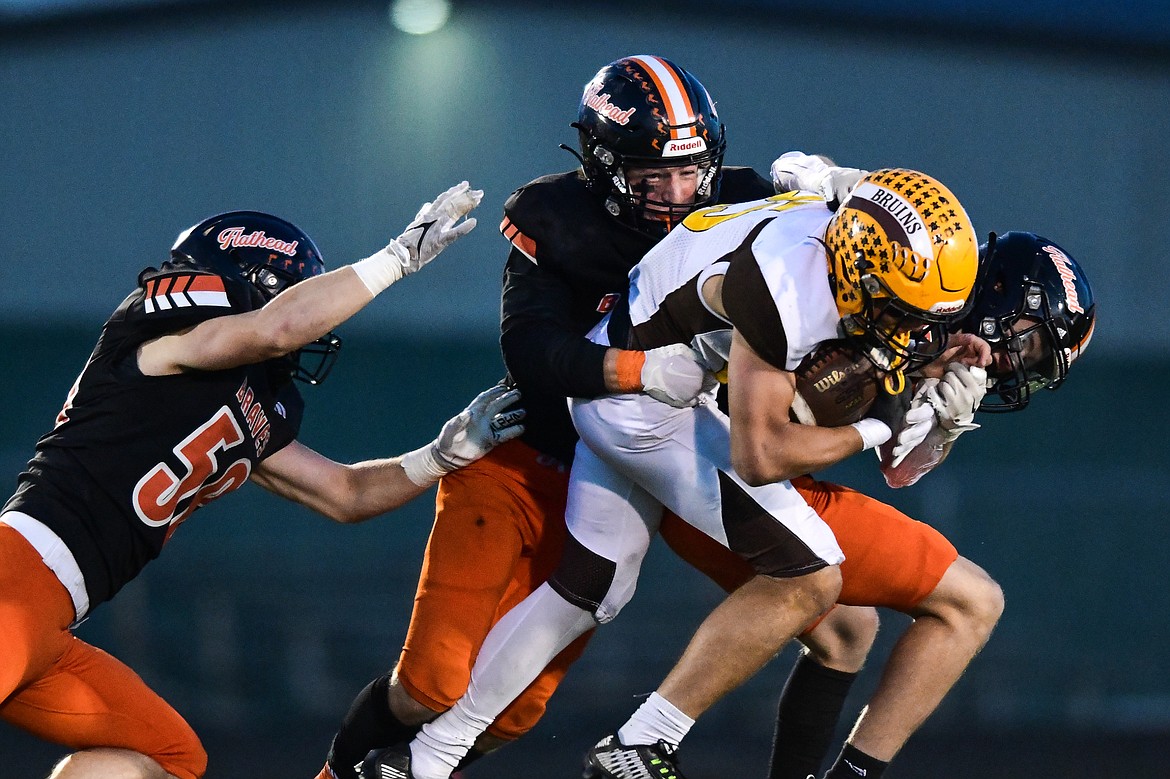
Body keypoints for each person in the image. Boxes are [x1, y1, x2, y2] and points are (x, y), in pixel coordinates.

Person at [315, 55, 865, 779]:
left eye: (689, 171)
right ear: (605, 167)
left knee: (519, 706)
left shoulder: (736, 194)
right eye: (651, 177)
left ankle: (417, 767)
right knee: (430, 686)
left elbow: (832, 225)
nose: (676, 193)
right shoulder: (556, 217)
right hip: (523, 454)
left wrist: (829, 181)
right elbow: (532, 349)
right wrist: (640, 370)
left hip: (622, 460)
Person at [379, 166, 981, 779]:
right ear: (858, 265)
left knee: (591, 587)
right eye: (899, 310)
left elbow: (828, 176)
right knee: (812, 576)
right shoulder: (787, 288)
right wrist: (881, 425)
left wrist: (926, 374)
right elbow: (762, 457)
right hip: (643, 404)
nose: (908, 330)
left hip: (630, 375)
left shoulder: (834, 221)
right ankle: (642, 743)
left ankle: (427, 756)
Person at [0, 183, 528, 779]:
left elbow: (344, 493)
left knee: (169, 760)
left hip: (52, 615)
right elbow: (275, 330)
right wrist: (396, 259)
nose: (309, 332)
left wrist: (439, 455)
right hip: (16, 576)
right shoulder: (169, 338)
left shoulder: (244, 402)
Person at [666, 229, 1096, 779]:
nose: (1021, 364)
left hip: (714, 473)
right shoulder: (901, 290)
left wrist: (941, 427)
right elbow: (805, 417)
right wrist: (891, 403)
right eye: (1029, 343)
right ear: (1006, 298)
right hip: (728, 465)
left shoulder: (937, 328)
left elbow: (898, 465)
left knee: (847, 631)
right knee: (973, 603)